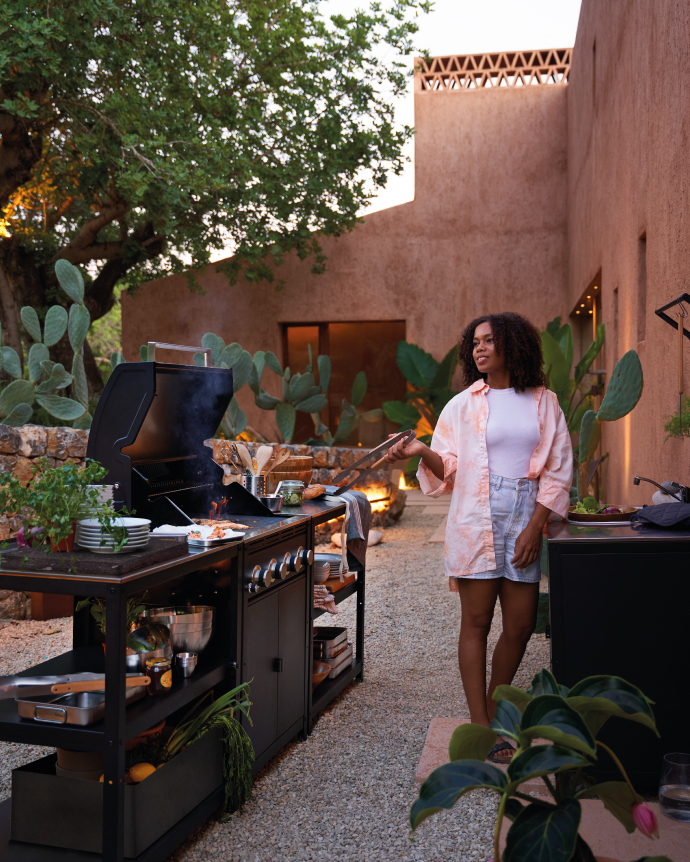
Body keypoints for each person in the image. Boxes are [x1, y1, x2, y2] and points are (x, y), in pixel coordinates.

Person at [385, 312, 573, 762]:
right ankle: (481, 725)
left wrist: (535, 526)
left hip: (525, 515)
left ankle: (494, 706)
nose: (479, 349)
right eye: (474, 343)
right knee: (476, 622)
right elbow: (448, 468)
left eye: (489, 340)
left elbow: (559, 468)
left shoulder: (544, 402)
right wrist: (419, 450)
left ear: (513, 345)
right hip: (476, 516)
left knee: (522, 624)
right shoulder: (462, 405)